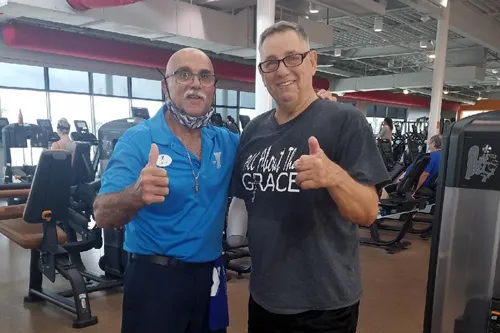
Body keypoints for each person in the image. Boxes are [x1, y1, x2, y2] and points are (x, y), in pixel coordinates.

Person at [93, 46, 336, 333]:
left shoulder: (227, 141)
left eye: (205, 77)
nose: (195, 84)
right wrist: (135, 194)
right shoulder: (138, 140)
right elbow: (102, 214)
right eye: (184, 74)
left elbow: (277, 144)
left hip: (210, 275)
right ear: (165, 85)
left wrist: (312, 109)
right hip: (155, 279)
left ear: (213, 89)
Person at [227, 21, 390, 333]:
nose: (282, 70)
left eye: (292, 58)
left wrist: (334, 177)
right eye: (270, 63)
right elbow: (243, 201)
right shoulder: (253, 131)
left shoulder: (346, 122)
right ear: (262, 73)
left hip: (323, 305)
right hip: (264, 297)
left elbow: (369, 212)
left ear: (312, 61)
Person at [380, 134, 441, 199]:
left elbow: (425, 174)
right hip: (432, 186)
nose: (429, 146)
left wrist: (415, 190)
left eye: (430, 144)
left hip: (416, 186)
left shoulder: (430, 157)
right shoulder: (443, 156)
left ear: (434, 143)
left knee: (387, 188)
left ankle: (383, 207)